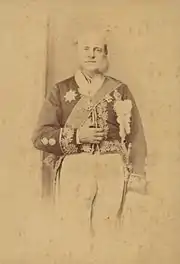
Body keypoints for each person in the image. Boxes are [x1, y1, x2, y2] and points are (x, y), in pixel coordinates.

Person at [32, 31, 147, 262]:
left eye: (97, 49)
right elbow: (40, 136)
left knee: (109, 233)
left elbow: (137, 136)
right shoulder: (61, 90)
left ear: (105, 54)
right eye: (86, 49)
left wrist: (136, 175)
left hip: (112, 169)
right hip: (76, 168)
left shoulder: (120, 90)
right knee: (74, 235)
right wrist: (77, 136)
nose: (91, 54)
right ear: (78, 52)